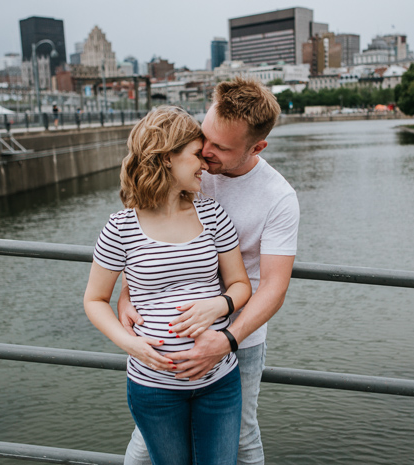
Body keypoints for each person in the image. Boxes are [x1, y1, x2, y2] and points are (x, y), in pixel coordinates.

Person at [121, 77, 300, 465]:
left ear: (257, 147)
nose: (206, 152)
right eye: (205, 137)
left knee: (241, 437)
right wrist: (126, 291)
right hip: (167, 339)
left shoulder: (278, 198)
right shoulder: (187, 162)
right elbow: (140, 233)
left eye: (221, 147)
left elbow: (273, 287)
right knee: (145, 441)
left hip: (240, 337)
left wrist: (228, 340)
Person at [84, 106, 252, 465]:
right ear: (167, 157)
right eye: (195, 155)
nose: (205, 165)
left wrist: (219, 305)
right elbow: (95, 299)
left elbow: (240, 284)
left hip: (218, 383)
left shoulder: (213, 215)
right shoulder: (120, 227)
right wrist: (132, 345)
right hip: (153, 390)